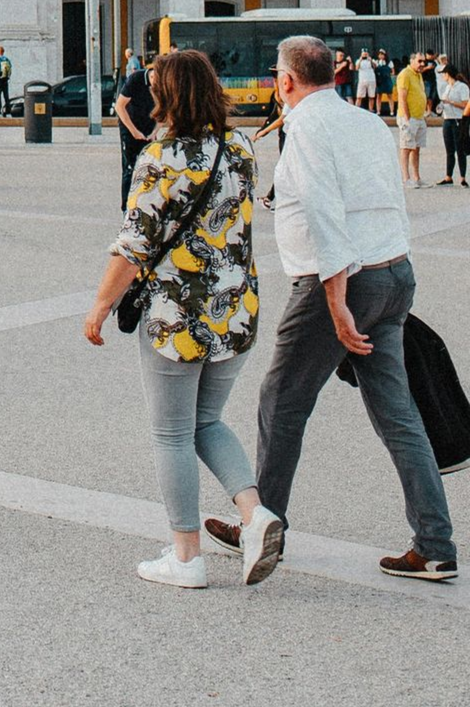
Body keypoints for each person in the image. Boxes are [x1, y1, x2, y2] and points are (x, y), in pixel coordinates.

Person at [223, 34, 456, 581]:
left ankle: (263, 525)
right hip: (393, 270)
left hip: (343, 282)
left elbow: (327, 214)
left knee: (280, 402)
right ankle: (435, 544)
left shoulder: (306, 127)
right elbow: (389, 196)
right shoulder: (366, 122)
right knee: (399, 416)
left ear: (285, 80)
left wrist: (337, 300)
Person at [83, 49, 281, 589]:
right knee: (207, 422)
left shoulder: (161, 157)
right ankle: (255, 514)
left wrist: (100, 305)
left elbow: (134, 244)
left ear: (168, 95)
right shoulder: (239, 148)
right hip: (236, 306)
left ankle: (186, 556)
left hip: (177, 311)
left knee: (171, 434)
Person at [113, 62, 155, 210]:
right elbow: (119, 106)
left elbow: (166, 109)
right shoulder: (135, 79)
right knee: (129, 167)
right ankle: (126, 207)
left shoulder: (164, 84)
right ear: (151, 74)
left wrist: (154, 133)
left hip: (148, 127)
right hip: (129, 125)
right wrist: (134, 132)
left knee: (150, 167)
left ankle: (145, 204)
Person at [394, 51, 429, 187]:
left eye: (423, 62)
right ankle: (406, 178)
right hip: (409, 118)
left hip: (419, 117)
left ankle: (416, 178)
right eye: (419, 61)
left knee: (416, 148)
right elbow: (402, 97)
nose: (422, 64)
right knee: (406, 147)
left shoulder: (418, 75)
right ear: (412, 61)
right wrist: (407, 119)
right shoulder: (405, 74)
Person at [437, 62, 469, 187]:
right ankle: (448, 176)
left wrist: (450, 102)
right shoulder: (447, 87)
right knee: (449, 149)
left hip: (458, 119)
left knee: (460, 149)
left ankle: (462, 177)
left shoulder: (461, 87)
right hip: (447, 119)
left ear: (448, 74)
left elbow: (466, 104)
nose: (442, 76)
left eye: (443, 74)